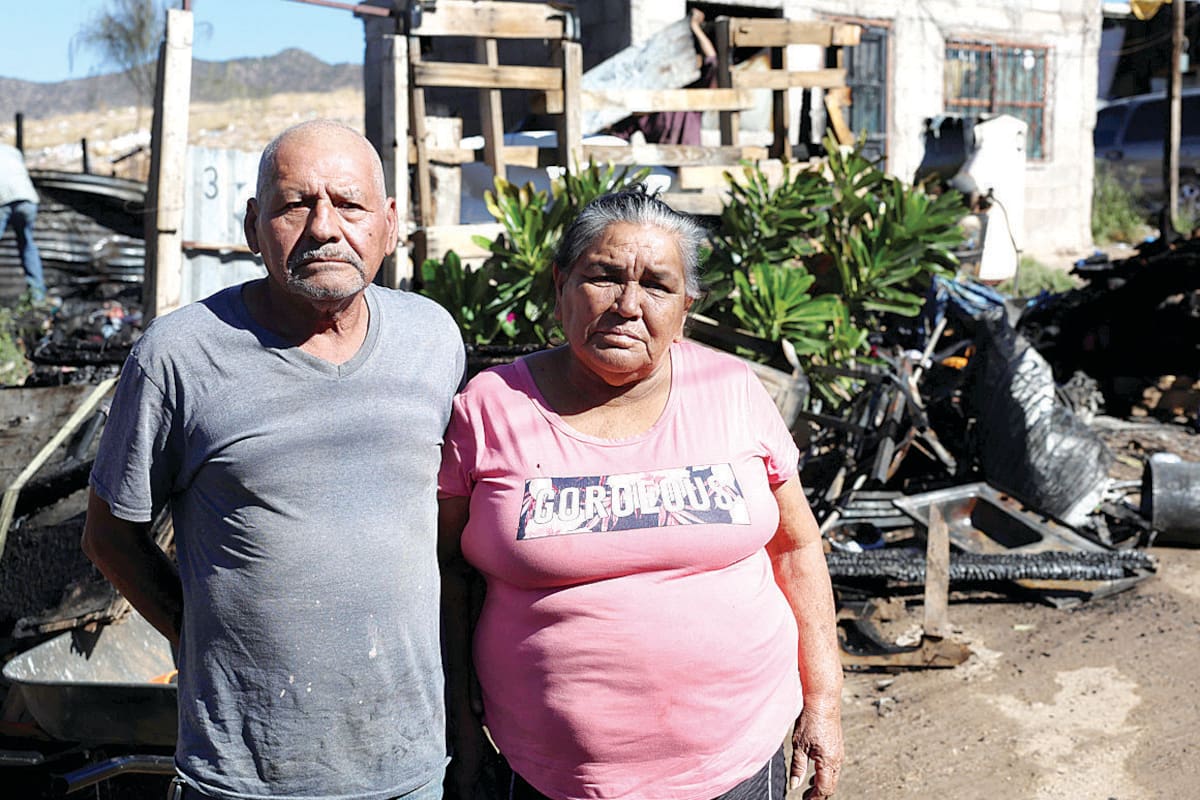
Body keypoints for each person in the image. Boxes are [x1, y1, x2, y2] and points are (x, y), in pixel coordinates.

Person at [83, 120, 465, 800]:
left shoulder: (432, 338)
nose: (324, 228)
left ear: (389, 224)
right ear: (253, 226)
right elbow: (110, 535)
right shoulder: (179, 356)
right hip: (247, 775)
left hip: (408, 768)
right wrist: (198, 634)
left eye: (349, 204)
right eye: (295, 205)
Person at [438, 187, 844, 800]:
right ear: (560, 286)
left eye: (656, 285)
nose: (627, 305)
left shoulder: (733, 390)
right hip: (553, 775)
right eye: (603, 277)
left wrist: (824, 700)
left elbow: (796, 548)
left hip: (737, 762)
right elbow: (449, 573)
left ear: (685, 309)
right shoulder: (491, 407)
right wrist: (462, 725)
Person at [0, 143, 46, 302]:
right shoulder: (12, 151)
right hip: (27, 199)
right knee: (27, 245)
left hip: (3, 199)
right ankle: (38, 297)